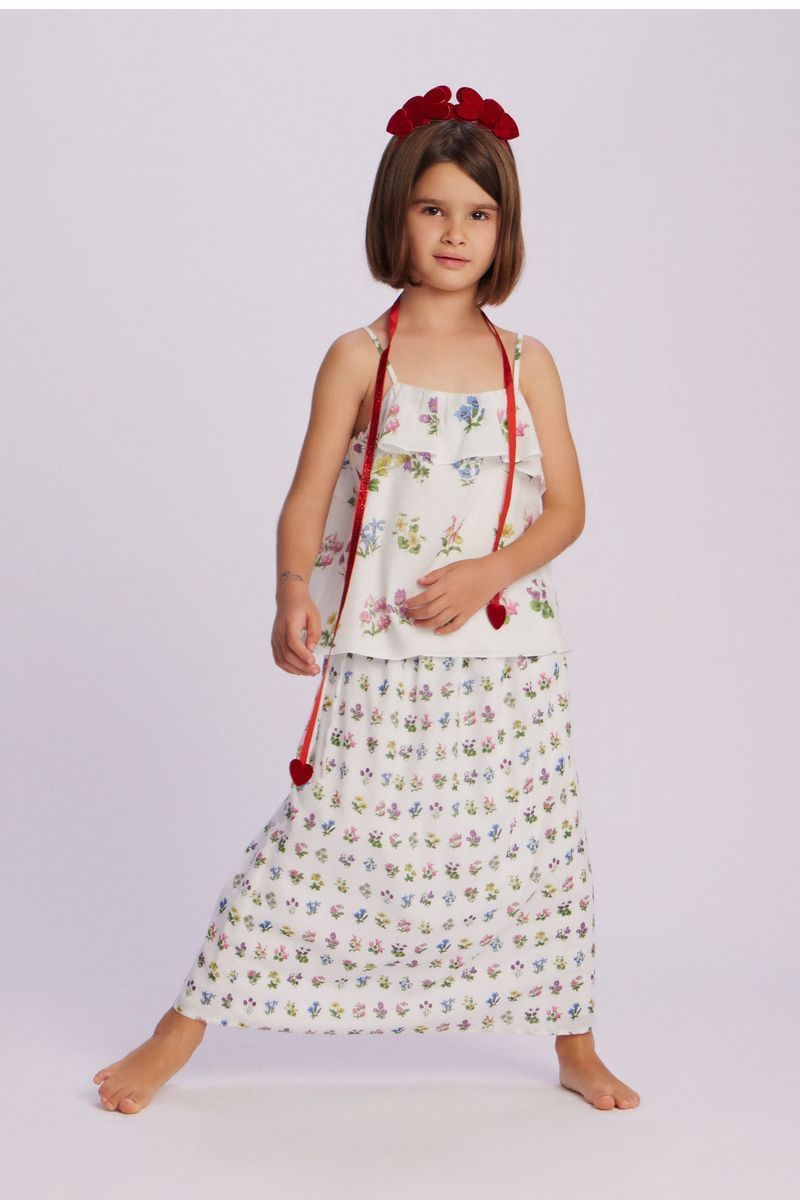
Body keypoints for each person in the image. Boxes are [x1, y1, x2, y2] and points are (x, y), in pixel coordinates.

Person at [93, 84, 640, 1114]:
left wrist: (487, 573)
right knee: (322, 836)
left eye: (478, 214)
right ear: (397, 214)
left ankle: (572, 1043)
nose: (455, 232)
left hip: (508, 655)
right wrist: (289, 592)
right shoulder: (361, 355)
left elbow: (566, 509)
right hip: (381, 650)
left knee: (537, 856)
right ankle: (178, 1033)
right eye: (433, 208)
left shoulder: (528, 363)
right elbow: (307, 495)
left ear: (504, 231)